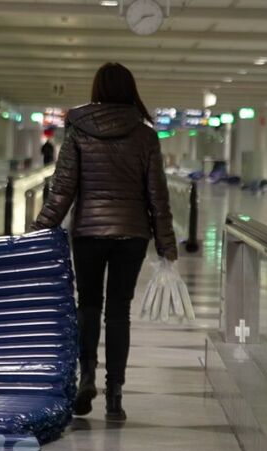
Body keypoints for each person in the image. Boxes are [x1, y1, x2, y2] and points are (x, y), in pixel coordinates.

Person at [32, 62, 177, 422]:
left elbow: (63, 188)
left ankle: (87, 377)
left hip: (89, 232)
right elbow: (157, 195)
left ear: (97, 89)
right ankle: (115, 395)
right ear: (131, 90)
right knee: (118, 312)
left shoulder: (79, 129)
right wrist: (167, 244)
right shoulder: (145, 135)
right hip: (132, 233)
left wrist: (39, 230)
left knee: (89, 306)